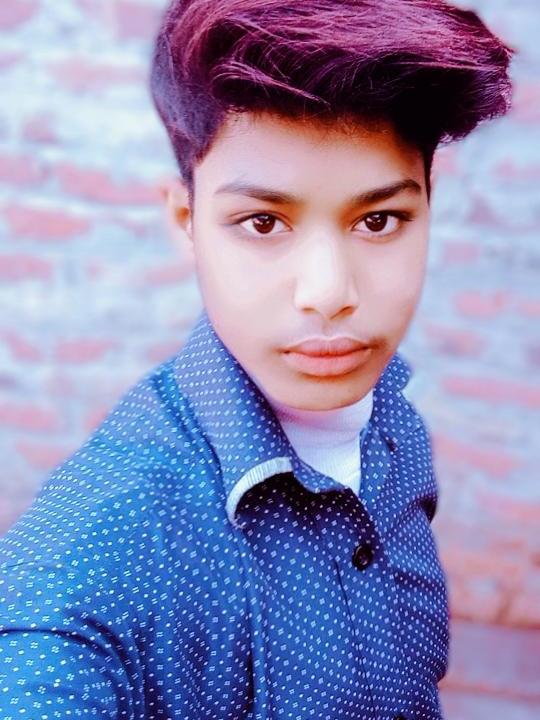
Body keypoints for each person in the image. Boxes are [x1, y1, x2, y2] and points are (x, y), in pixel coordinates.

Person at [0, 1, 513, 718]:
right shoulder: (90, 561)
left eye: (379, 220)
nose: (328, 294)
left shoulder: (395, 430)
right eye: (263, 223)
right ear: (187, 221)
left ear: (429, 203)